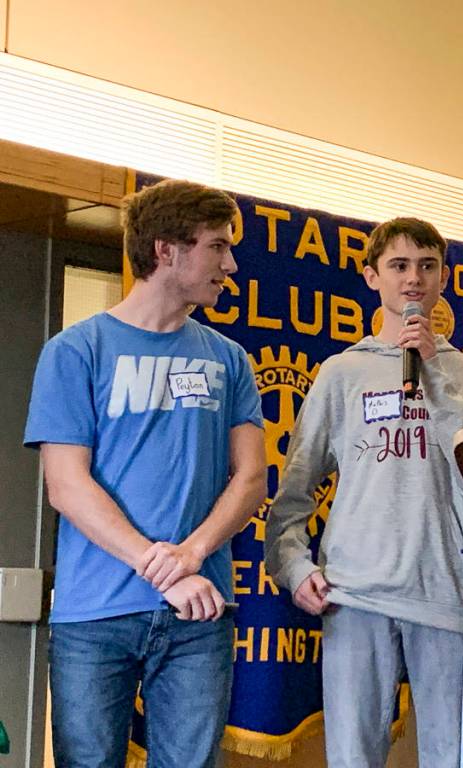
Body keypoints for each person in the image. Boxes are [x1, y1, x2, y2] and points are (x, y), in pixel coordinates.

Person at [23, 179, 267, 767]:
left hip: (198, 614)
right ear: (166, 250)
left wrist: (191, 557)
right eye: (217, 246)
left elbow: (252, 477)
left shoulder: (229, 359)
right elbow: (67, 484)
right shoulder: (75, 350)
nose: (230, 265)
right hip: (94, 616)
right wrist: (160, 568)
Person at [265, 217, 463, 768]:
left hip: (446, 592)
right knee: (353, 757)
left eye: (427, 266)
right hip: (355, 593)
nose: (413, 279)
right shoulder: (340, 372)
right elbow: (293, 494)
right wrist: (295, 569)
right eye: (398, 266)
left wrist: (435, 382)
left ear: (443, 278)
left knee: (456, 755)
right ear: (373, 277)